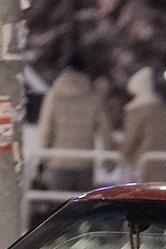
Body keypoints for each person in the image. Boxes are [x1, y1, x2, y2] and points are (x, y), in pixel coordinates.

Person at [38, 53, 115, 194]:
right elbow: (106, 129)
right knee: (82, 210)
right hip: (84, 162)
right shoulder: (93, 96)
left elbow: (46, 129)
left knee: (58, 209)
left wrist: (42, 158)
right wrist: (109, 161)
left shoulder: (53, 95)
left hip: (58, 161)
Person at [120, 67, 166, 182]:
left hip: (142, 163)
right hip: (164, 162)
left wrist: (120, 157)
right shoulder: (164, 110)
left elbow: (130, 139)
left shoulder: (136, 110)